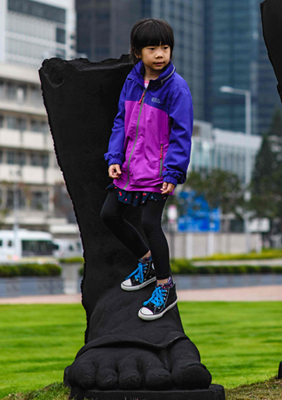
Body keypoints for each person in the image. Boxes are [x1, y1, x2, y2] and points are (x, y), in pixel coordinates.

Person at [101, 18, 193, 321]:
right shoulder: (131, 80)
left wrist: (173, 173)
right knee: (110, 215)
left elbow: (182, 133)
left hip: (158, 171)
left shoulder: (176, 88)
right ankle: (147, 261)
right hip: (129, 167)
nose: (160, 54)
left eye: (165, 47)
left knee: (151, 224)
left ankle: (165, 288)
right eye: (152, 48)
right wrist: (114, 157)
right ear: (137, 51)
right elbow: (120, 120)